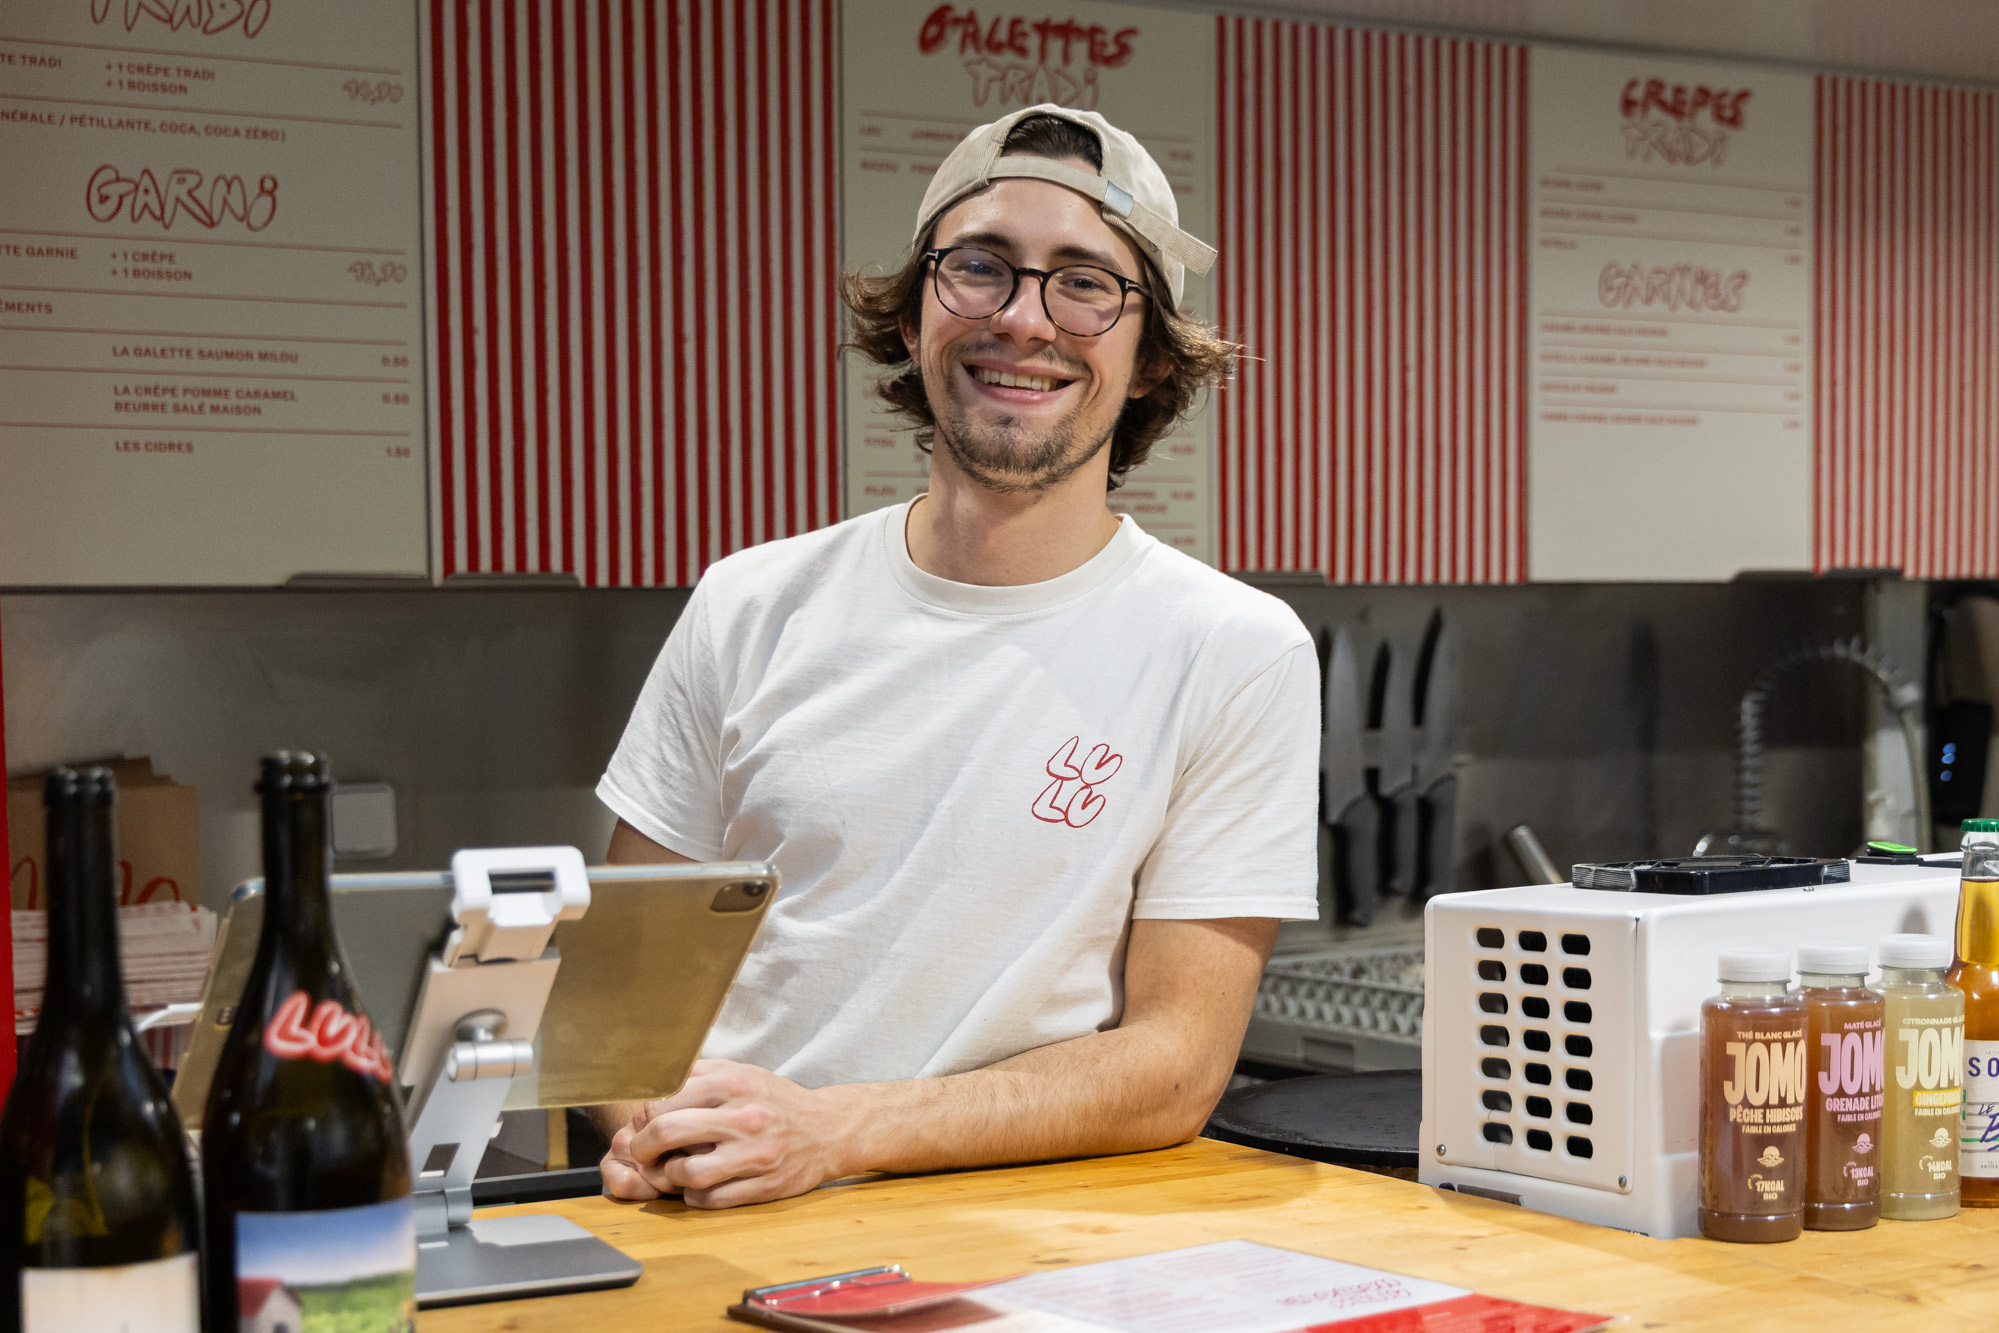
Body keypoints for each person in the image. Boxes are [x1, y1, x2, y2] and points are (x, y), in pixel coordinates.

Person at [591, 104, 1319, 1209]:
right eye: (979, 266)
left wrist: (830, 1133)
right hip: (726, 1221)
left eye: (1085, 282)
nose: (1024, 319)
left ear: (1150, 362)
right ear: (914, 312)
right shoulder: (749, 602)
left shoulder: (1230, 648)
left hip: (1032, 1256)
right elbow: (617, 992)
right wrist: (678, 1129)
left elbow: (1173, 1064)